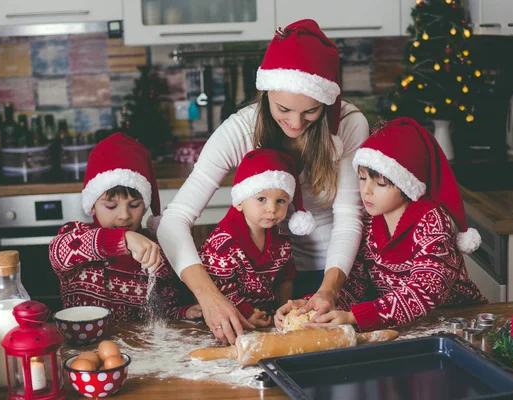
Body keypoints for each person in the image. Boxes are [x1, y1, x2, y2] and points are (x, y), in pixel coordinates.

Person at [157, 19, 369, 343]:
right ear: (267, 89)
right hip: (266, 282)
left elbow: (349, 218)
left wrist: (329, 289)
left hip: (336, 270)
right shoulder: (240, 130)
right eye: (284, 108)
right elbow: (173, 219)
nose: (296, 123)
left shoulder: (350, 125)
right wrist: (209, 296)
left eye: (311, 112)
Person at [282, 118, 488, 331]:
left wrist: (354, 317)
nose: (366, 190)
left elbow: (425, 290)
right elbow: (355, 282)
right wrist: (314, 307)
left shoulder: (432, 221)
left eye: (380, 183)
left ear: (407, 183)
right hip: (411, 324)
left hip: (461, 320)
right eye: (362, 178)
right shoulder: (370, 221)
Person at [49, 133, 202, 322]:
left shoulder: (154, 251)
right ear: (92, 205)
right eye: (111, 206)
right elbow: (58, 253)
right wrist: (125, 238)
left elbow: (163, 311)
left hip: (136, 348)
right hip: (83, 345)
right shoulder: (76, 236)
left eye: (134, 205)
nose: (124, 215)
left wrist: (184, 312)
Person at [199, 149, 313, 328]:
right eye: (261, 199)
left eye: (281, 201)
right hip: (231, 318)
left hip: (268, 317)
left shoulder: (281, 239)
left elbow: (286, 277)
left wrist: (282, 309)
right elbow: (221, 289)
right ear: (239, 201)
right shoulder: (222, 244)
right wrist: (247, 314)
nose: (272, 209)